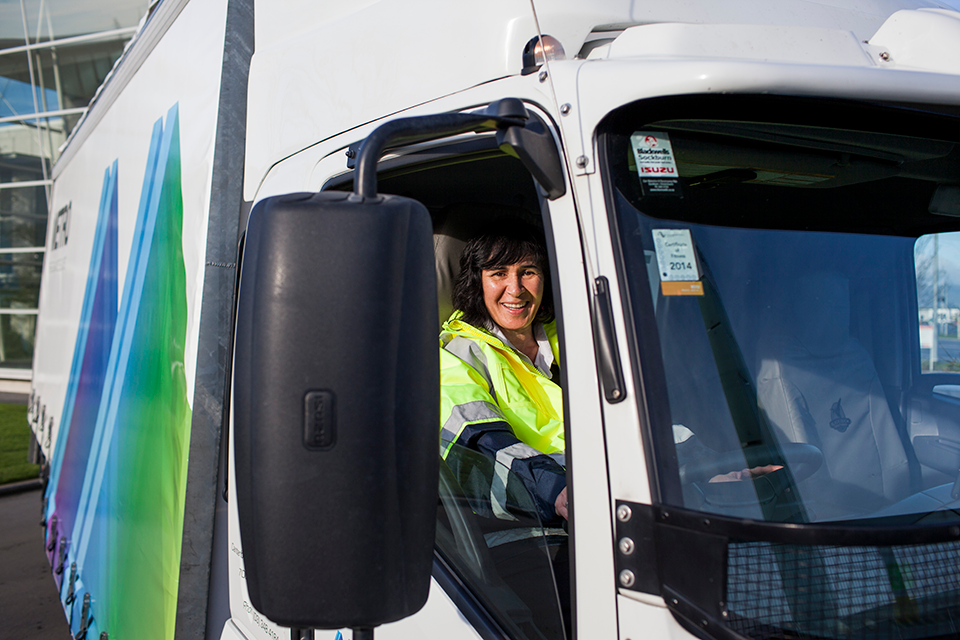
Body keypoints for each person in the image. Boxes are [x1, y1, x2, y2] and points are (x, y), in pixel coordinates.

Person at [439, 220, 568, 524]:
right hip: (538, 520)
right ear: (477, 282)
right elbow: (479, 447)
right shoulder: (457, 355)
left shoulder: (576, 335)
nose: (516, 289)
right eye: (499, 273)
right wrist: (556, 489)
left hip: (619, 487)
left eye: (528, 272)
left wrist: (695, 459)